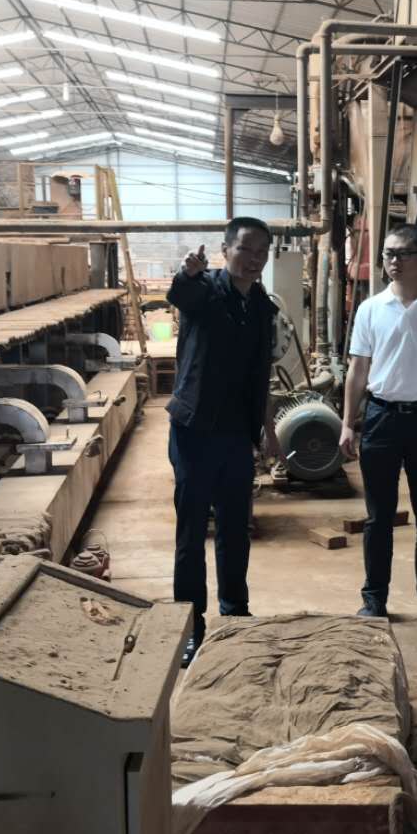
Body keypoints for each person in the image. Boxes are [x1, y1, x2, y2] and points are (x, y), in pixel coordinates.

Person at [166, 217, 282, 667]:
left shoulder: (262, 307)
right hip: (194, 431)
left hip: (236, 435)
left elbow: (261, 374)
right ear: (225, 250)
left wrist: (268, 429)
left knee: (236, 530)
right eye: (245, 249)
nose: (253, 260)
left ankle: (234, 615)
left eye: (261, 252)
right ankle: (190, 628)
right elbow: (181, 294)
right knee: (192, 532)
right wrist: (187, 272)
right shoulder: (205, 290)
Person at [339, 224, 417, 630]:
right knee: (378, 517)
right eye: (388, 254)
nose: (393, 261)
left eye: (402, 254)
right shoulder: (370, 309)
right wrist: (347, 424)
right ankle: (374, 599)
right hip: (380, 418)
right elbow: (358, 370)